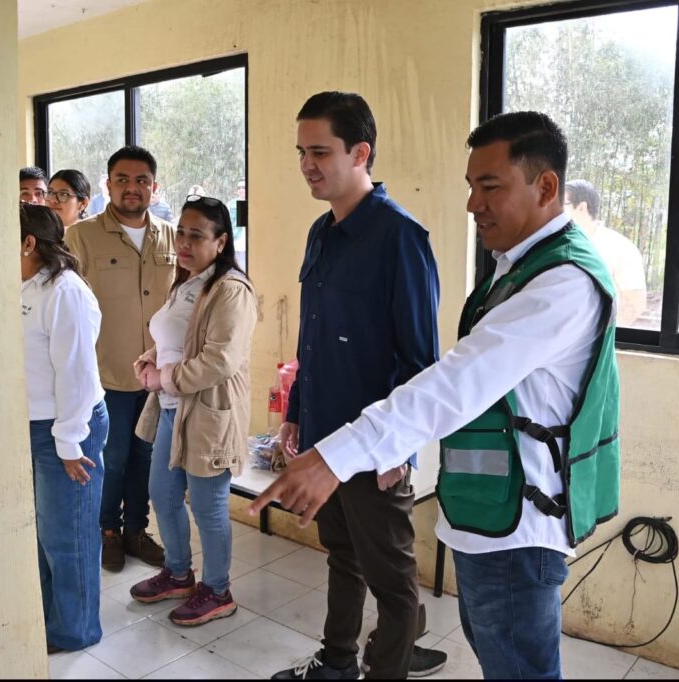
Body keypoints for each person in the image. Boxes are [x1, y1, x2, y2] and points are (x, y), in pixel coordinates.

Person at [251, 111, 621, 681]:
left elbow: (451, 380)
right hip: (485, 513)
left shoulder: (561, 283)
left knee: (509, 660)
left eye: (489, 186)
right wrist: (306, 420)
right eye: (471, 187)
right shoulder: (515, 269)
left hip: (516, 530)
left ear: (546, 186)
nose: (473, 205)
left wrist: (342, 455)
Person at [271, 91, 445, 681]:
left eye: (320, 152)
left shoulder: (400, 237)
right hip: (325, 439)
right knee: (342, 557)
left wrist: (398, 448)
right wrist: (297, 410)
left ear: (360, 153)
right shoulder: (321, 232)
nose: (307, 165)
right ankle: (337, 662)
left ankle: (387, 669)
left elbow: (420, 359)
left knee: (392, 582)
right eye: (301, 152)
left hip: (375, 448)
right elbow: (312, 339)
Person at [127, 194, 257, 627]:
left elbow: (220, 360)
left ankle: (218, 591)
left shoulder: (230, 290)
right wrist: (151, 358)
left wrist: (162, 377)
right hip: (172, 408)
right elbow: (178, 338)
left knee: (207, 505)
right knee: (162, 494)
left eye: (196, 235)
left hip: (208, 411)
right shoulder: (186, 281)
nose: (183, 242)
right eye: (181, 232)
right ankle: (178, 574)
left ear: (221, 242)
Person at [65, 146, 177, 572]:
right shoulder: (81, 237)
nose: (133, 188)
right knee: (110, 459)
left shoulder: (171, 237)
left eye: (142, 180)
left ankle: (136, 530)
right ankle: (107, 531)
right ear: (108, 184)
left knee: (145, 457)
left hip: (158, 376)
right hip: (106, 372)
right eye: (123, 180)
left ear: (154, 186)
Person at [19, 203, 108, 653]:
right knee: (45, 534)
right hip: (35, 427)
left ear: (28, 243)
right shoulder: (24, 285)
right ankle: (51, 619)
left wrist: (70, 441)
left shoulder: (64, 291)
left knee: (68, 535)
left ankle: (75, 632)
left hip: (67, 427)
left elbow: (76, 373)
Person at [565, 179, 647, 325]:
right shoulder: (558, 244)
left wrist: (604, 333)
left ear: (582, 208)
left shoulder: (620, 248)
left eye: (561, 205)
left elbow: (635, 303)